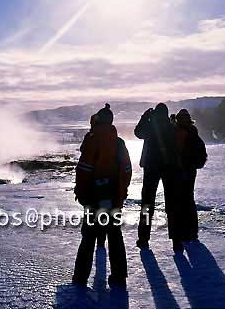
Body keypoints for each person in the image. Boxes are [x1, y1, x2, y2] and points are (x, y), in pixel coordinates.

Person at [73, 103, 132, 287]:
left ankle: (80, 278)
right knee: (115, 236)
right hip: (113, 197)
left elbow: (83, 170)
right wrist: (121, 193)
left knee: (89, 237)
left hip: (93, 197)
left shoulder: (92, 141)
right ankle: (119, 277)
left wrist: (81, 193)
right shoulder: (119, 142)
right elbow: (127, 170)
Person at [134, 103, 179, 251]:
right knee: (172, 204)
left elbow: (138, 132)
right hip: (169, 168)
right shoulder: (171, 127)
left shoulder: (151, 127)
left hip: (151, 167)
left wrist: (145, 117)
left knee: (147, 204)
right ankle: (176, 240)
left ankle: (143, 238)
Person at [171, 109, 207, 241]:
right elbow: (202, 153)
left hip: (182, 170)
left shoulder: (179, 132)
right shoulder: (193, 133)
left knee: (183, 200)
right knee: (188, 200)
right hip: (189, 170)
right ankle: (191, 231)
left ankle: (185, 231)